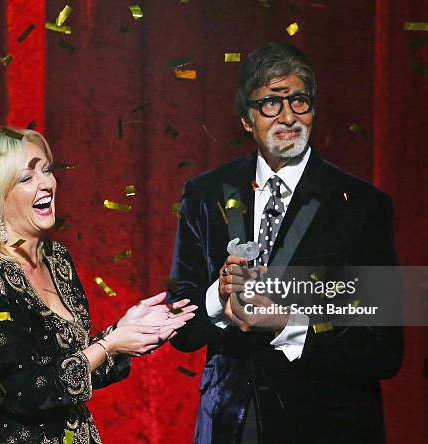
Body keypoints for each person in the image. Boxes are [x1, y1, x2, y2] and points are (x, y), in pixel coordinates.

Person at [168, 42, 403, 443]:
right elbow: (183, 328)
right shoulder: (205, 193)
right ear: (247, 119)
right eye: (271, 104)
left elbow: (382, 347)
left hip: (325, 424)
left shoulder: (361, 205)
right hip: (230, 421)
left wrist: (288, 324)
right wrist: (218, 296)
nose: (288, 116)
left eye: (299, 101)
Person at [0, 126, 196, 444]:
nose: (47, 184)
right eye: (27, 178)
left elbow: (70, 368)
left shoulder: (56, 259)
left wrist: (128, 331)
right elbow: (22, 392)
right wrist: (110, 345)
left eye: (47, 170)